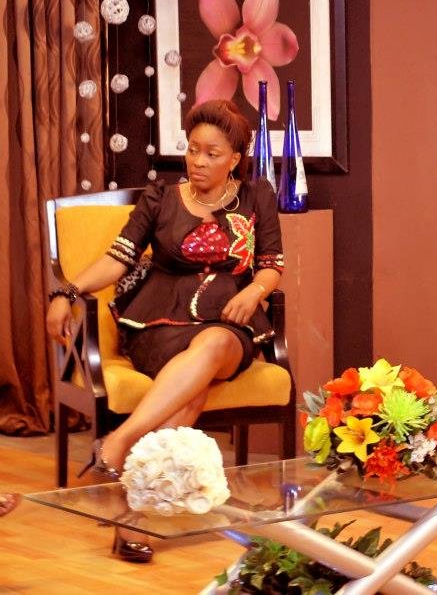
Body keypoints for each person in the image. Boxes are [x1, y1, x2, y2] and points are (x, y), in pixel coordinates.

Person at [45, 99, 284, 562]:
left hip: (228, 326)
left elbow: (272, 264)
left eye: (212, 153)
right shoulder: (160, 197)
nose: (198, 161)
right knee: (189, 397)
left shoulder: (258, 198)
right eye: (193, 149)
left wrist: (255, 291)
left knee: (213, 343)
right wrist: (67, 291)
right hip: (158, 326)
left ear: (234, 158)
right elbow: (117, 259)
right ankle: (138, 517)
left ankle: (117, 443)